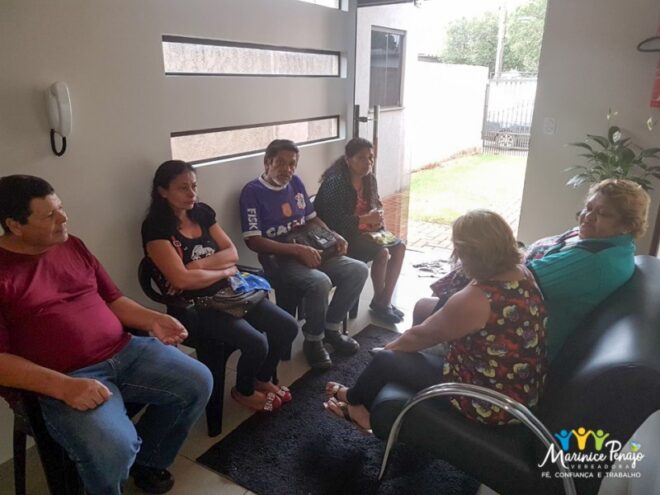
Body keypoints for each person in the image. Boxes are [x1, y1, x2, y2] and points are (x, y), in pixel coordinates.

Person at [0, 175, 213, 495]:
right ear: (14, 225)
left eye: (61, 208)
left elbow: (113, 300)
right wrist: (64, 386)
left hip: (123, 350)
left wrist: (153, 319)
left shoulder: (71, 245)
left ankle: (149, 460)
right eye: (50, 215)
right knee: (114, 448)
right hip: (62, 379)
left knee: (198, 381)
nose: (63, 218)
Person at [323, 210, 547, 430]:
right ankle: (359, 398)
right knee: (402, 349)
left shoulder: (478, 299)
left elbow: (420, 336)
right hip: (520, 390)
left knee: (385, 360)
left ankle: (356, 405)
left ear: (470, 253)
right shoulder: (521, 273)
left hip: (488, 400)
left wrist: (390, 349)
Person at [414, 178, 651, 361]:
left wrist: (494, 252)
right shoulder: (605, 242)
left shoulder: (596, 262)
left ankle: (424, 362)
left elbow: (513, 282)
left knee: (423, 309)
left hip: (518, 338)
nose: (588, 217)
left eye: (603, 214)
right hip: (516, 312)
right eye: (588, 208)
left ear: (627, 225)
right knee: (436, 301)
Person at [142, 160, 298, 413]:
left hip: (232, 293)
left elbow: (231, 253)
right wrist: (223, 270)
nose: (191, 194)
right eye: (182, 188)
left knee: (287, 327)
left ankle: (261, 378)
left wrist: (198, 266)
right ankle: (243, 391)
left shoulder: (202, 213)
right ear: (162, 191)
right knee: (257, 343)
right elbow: (181, 280)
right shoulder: (156, 227)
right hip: (197, 307)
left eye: (194, 186)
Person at [239, 139, 369, 370]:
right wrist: (297, 250)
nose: (287, 169)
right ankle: (313, 340)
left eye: (292, 164)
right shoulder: (253, 192)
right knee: (320, 282)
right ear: (267, 162)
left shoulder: (296, 183)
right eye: (281, 163)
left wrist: (333, 235)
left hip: (311, 248)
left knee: (358, 269)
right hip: (280, 259)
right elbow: (254, 240)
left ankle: (331, 329)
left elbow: (312, 219)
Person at [315, 137, 406, 324]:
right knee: (382, 253)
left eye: (370, 158)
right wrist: (365, 220)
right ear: (348, 159)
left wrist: (377, 216)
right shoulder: (336, 183)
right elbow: (334, 223)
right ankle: (381, 303)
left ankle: (384, 300)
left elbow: (375, 203)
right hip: (342, 237)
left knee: (400, 247)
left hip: (367, 231)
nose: (368, 162)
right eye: (362, 158)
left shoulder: (369, 179)